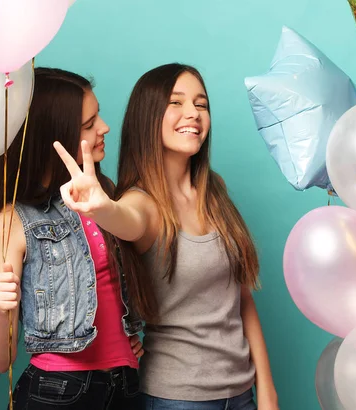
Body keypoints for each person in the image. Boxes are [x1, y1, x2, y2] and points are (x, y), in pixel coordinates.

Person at [54, 63, 279, 410]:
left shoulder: (213, 190)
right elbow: (124, 219)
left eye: (201, 104)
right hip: (177, 399)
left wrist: (266, 391)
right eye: (176, 103)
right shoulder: (141, 203)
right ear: (148, 117)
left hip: (242, 396)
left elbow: (241, 296)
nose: (193, 113)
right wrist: (101, 208)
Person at [0, 67, 145, 410]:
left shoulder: (106, 197)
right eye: (89, 125)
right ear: (55, 136)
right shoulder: (15, 221)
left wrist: (129, 342)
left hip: (126, 387)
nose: (104, 128)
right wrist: (2, 314)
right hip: (58, 392)